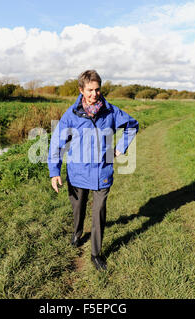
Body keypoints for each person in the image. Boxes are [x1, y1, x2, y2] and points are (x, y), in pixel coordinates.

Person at [48, 70, 139, 271]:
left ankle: (95, 254)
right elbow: (57, 143)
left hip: (102, 172)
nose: (94, 94)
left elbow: (132, 125)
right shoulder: (71, 115)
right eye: (90, 90)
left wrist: (120, 147)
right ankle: (77, 233)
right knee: (78, 208)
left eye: (97, 89)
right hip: (77, 172)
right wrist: (54, 171)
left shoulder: (111, 111)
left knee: (98, 212)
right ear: (81, 90)